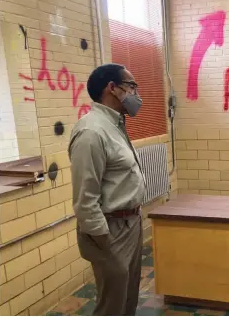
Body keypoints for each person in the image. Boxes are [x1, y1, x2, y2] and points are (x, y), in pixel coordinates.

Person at [68, 64, 146, 316]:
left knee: (128, 298)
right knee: (112, 305)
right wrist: (105, 242)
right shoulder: (91, 131)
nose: (137, 94)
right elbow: (85, 200)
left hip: (130, 223)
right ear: (112, 88)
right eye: (132, 86)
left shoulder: (114, 124)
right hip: (110, 231)